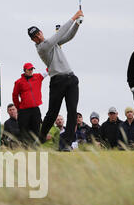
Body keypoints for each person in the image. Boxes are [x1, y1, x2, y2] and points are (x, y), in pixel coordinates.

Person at [28, 9, 84, 151]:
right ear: (33, 40)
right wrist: (73, 17)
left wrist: (77, 24)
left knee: (72, 112)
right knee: (52, 113)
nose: (38, 36)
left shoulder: (51, 43)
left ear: (41, 32)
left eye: (38, 33)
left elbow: (68, 36)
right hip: (57, 81)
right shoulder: (42, 47)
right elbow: (60, 33)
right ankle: (40, 139)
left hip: (71, 79)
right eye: (34, 36)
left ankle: (67, 143)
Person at [12, 63, 48, 144]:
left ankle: (34, 147)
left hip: (35, 109)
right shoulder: (19, 82)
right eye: (29, 69)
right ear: (25, 70)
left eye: (32, 69)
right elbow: (15, 95)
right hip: (24, 111)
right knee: (24, 131)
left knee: (36, 129)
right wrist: (18, 107)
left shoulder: (38, 77)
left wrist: (53, 61)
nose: (31, 71)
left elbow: (47, 71)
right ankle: (25, 147)